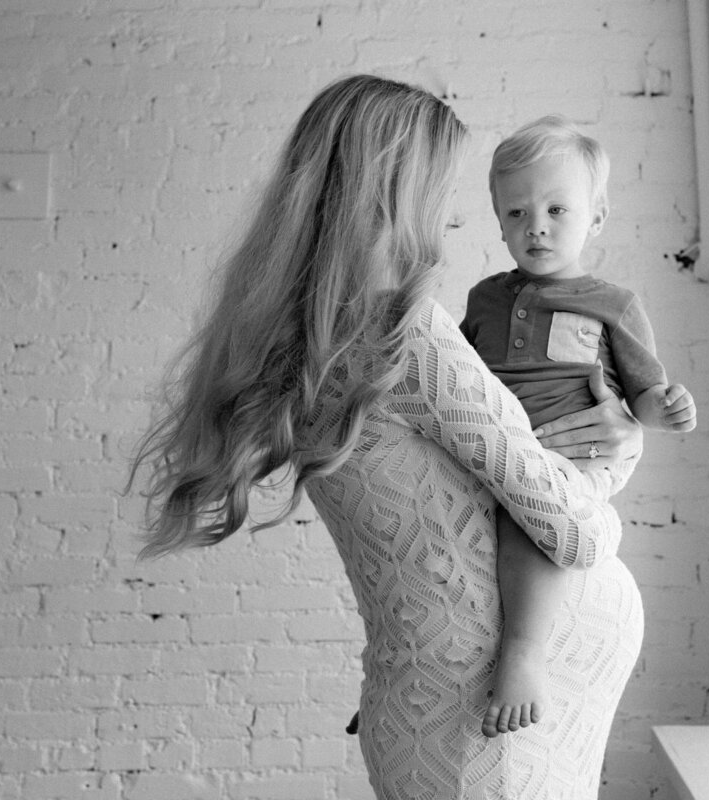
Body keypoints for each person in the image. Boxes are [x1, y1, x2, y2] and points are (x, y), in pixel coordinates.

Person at [128, 75, 646, 800]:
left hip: (446, 696)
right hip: (488, 718)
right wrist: (615, 457)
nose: (448, 214)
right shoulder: (408, 334)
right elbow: (575, 533)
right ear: (398, 191)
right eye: (440, 186)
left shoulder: (299, 336)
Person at [461, 116, 696, 738]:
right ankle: (417, 663)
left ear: (596, 218)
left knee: (534, 512)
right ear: (499, 223)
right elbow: (456, 375)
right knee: (444, 523)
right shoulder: (485, 300)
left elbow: (642, 395)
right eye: (516, 213)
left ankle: (524, 653)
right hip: (498, 449)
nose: (535, 225)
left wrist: (665, 409)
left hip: (575, 455)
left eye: (556, 209)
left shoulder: (613, 304)